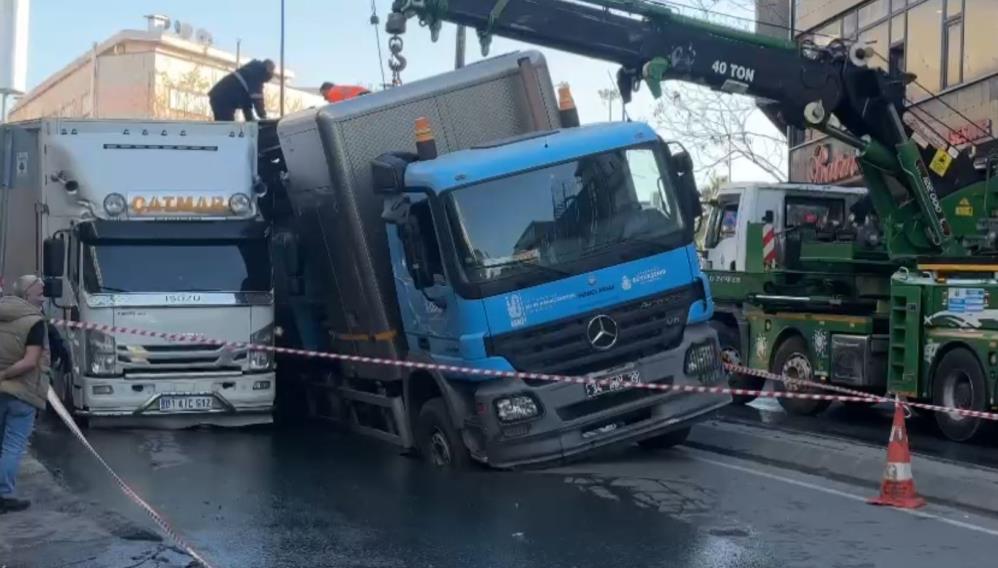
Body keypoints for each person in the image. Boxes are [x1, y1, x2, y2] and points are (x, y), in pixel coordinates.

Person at [0, 275, 50, 514]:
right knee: (12, 446)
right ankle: (4, 495)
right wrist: (5, 375)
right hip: (21, 392)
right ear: (26, 295)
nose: (43, 297)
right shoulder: (34, 322)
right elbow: (30, 362)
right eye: (40, 293)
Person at [208, 59, 276, 122]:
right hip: (223, 99)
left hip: (219, 97)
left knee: (223, 126)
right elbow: (257, 99)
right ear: (268, 69)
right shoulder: (258, 73)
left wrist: (249, 119)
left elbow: (246, 102)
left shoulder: (250, 72)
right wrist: (263, 116)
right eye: (272, 71)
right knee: (227, 127)